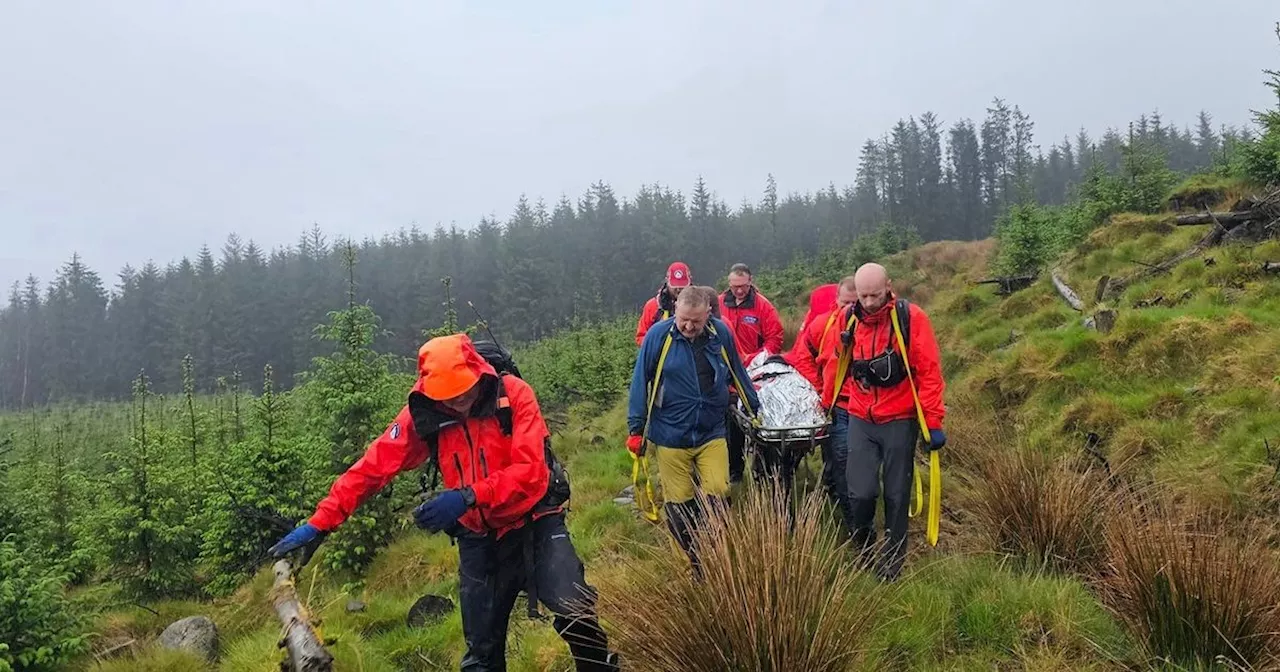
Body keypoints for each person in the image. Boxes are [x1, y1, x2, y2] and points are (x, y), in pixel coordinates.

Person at [267, 333, 619, 672]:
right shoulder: (425, 414)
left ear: (477, 373)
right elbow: (372, 467)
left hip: (535, 521)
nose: (457, 402)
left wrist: (469, 496)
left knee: (576, 610)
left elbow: (530, 473)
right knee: (481, 651)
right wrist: (322, 522)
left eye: (463, 391)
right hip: (478, 539)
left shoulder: (513, 395)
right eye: (447, 397)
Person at [819, 263, 946, 582]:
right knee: (859, 492)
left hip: (899, 418)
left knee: (896, 495)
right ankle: (862, 550)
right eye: (863, 296)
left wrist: (933, 423)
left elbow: (928, 372)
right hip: (861, 417)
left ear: (888, 286)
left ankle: (891, 566)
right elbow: (838, 363)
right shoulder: (849, 318)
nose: (870, 302)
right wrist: (826, 406)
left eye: (875, 294)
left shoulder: (911, 319)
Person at [626, 286, 761, 577]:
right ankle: (691, 567)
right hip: (671, 434)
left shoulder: (720, 333)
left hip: (711, 430)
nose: (688, 326)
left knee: (719, 491)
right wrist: (635, 428)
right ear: (676, 311)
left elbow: (737, 369)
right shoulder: (658, 337)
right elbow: (640, 381)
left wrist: (754, 407)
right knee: (680, 505)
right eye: (683, 320)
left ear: (708, 315)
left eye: (695, 322)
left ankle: (715, 551)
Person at [783, 276, 858, 526]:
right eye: (845, 302)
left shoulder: (877, 326)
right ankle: (855, 527)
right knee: (842, 463)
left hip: (872, 409)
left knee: (863, 467)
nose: (851, 308)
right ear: (836, 300)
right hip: (837, 405)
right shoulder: (823, 325)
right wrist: (819, 389)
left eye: (855, 303)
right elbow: (803, 356)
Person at [717, 263, 783, 484]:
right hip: (725, 370)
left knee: (754, 417)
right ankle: (734, 470)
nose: (738, 291)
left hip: (753, 370)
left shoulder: (762, 306)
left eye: (742, 286)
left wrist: (758, 358)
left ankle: (763, 469)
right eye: (734, 286)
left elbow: (775, 337)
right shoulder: (719, 303)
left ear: (750, 281)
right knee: (731, 420)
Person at [635, 261, 692, 346]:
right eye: (675, 285)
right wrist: (656, 345)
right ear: (667, 281)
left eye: (682, 285)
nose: (679, 289)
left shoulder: (700, 305)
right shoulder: (653, 306)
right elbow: (641, 336)